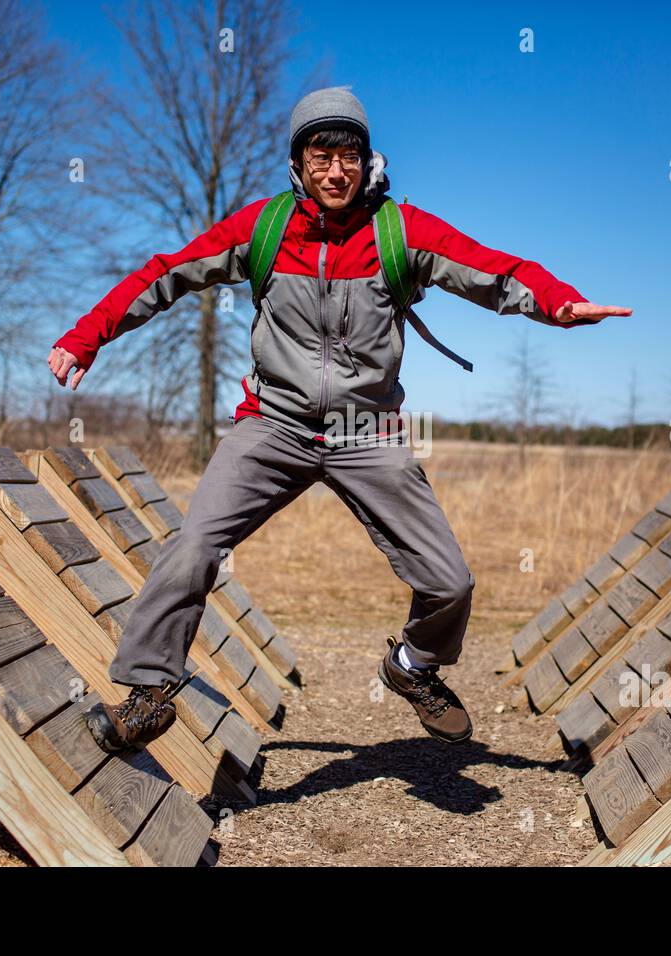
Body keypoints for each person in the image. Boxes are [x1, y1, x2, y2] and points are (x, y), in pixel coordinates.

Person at [48, 86, 631, 754]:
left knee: (451, 582)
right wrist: (87, 335)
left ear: (366, 159)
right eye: (320, 155)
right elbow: (168, 272)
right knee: (193, 548)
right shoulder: (262, 228)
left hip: (366, 433)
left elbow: (496, 272)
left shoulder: (400, 231)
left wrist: (558, 304)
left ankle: (412, 666)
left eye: (347, 154)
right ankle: (149, 695)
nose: (335, 170)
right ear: (298, 163)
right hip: (274, 424)